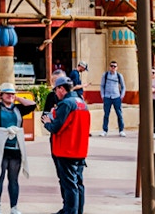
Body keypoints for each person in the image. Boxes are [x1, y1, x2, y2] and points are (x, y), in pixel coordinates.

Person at [42, 75, 90, 214]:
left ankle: (71, 211)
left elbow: (56, 127)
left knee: (69, 185)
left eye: (56, 90)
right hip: (80, 149)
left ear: (61, 89)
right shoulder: (82, 103)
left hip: (66, 149)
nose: (55, 93)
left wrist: (48, 122)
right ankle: (77, 210)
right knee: (78, 183)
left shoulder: (66, 104)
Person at [0, 83, 35, 214]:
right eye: (7, 93)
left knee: (13, 179)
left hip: (15, 149)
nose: (10, 96)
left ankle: (14, 207)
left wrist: (17, 98)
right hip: (1, 147)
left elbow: (32, 104)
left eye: (12, 94)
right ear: (2, 95)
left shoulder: (18, 108)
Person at [99, 61, 126, 136]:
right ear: (109, 67)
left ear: (117, 68)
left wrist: (121, 96)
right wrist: (102, 95)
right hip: (107, 97)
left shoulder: (119, 76)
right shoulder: (105, 75)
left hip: (116, 97)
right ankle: (105, 130)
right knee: (106, 114)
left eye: (114, 66)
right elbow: (102, 85)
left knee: (119, 114)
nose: (113, 68)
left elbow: (123, 87)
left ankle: (121, 130)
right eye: (111, 66)